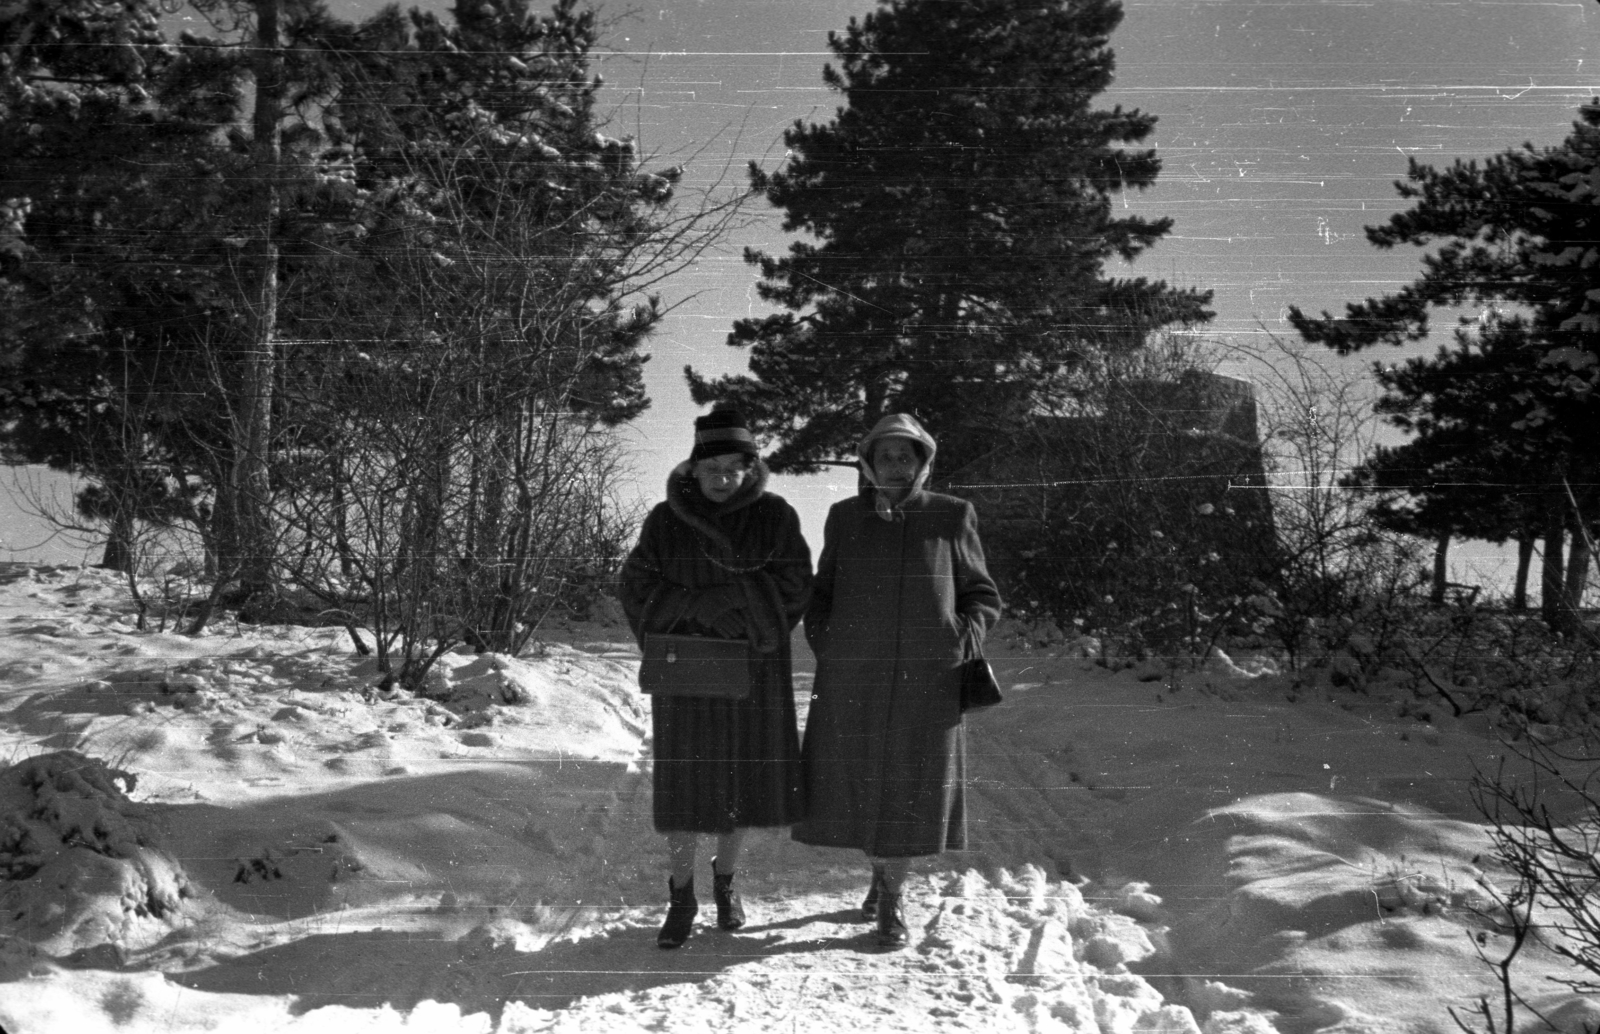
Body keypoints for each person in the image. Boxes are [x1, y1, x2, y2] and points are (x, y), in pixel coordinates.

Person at [793, 413, 1002, 948]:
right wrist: (829, 642)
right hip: (854, 677)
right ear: (869, 462)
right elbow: (823, 592)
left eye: (905, 455)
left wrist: (960, 640)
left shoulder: (953, 516)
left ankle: (891, 898)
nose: (895, 465)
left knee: (911, 787)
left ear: (923, 461)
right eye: (885, 456)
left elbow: (982, 595)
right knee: (860, 777)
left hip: (928, 680)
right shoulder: (844, 517)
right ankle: (882, 872)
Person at [620, 403, 812, 949]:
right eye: (712, 469)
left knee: (742, 784)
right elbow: (634, 585)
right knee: (685, 787)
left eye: (735, 468)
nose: (723, 479)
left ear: (751, 469)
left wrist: (740, 601)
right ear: (692, 469)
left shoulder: (776, 516)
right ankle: (681, 896)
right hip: (687, 668)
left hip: (752, 666)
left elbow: (798, 583)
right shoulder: (665, 519)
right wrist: (694, 608)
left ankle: (726, 883)